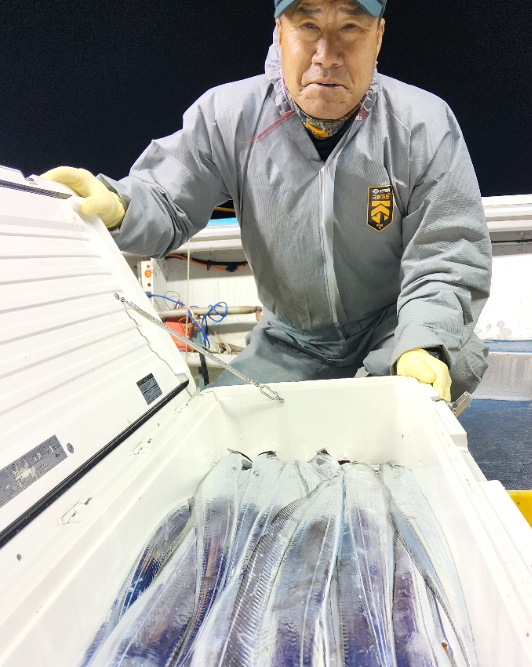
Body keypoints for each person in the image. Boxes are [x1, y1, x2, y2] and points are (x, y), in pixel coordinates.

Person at [43, 0, 492, 402]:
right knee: (220, 434)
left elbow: (446, 253)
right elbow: (166, 198)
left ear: (378, 36)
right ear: (280, 31)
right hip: (289, 344)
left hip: (391, 329)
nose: (326, 54)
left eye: (350, 27)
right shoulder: (227, 117)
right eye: (309, 25)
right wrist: (121, 206)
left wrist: (421, 342)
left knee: (451, 364)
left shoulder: (423, 124)